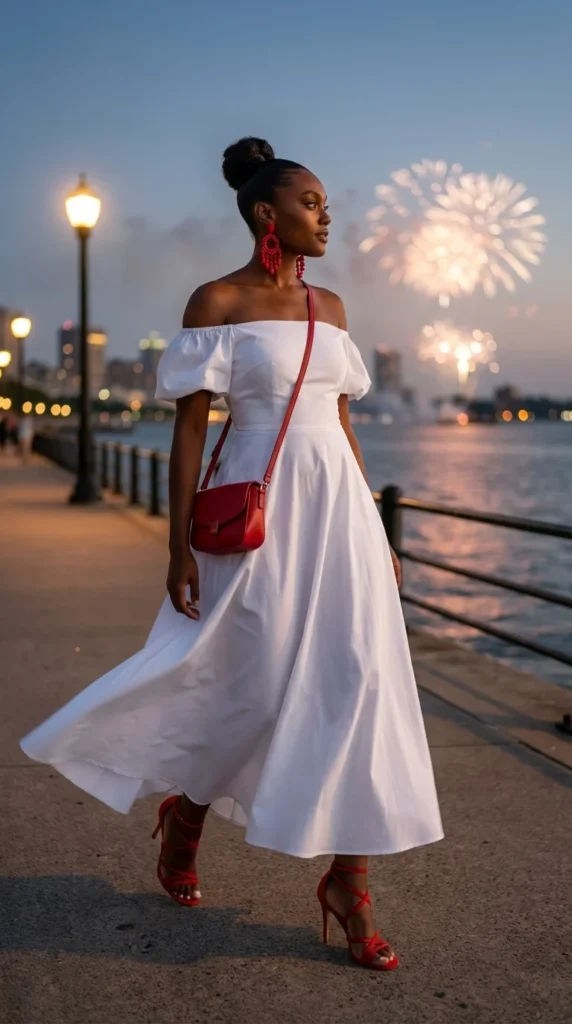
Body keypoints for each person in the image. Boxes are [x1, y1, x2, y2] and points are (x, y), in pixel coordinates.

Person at [21, 137, 443, 971]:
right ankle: (186, 816)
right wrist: (177, 548)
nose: (329, 215)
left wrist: (375, 529)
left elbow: (345, 427)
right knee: (242, 684)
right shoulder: (214, 302)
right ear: (266, 213)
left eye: (326, 202)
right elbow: (188, 436)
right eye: (313, 202)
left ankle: (349, 885)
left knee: (356, 679)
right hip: (254, 512)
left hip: (338, 517)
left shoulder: (334, 310)